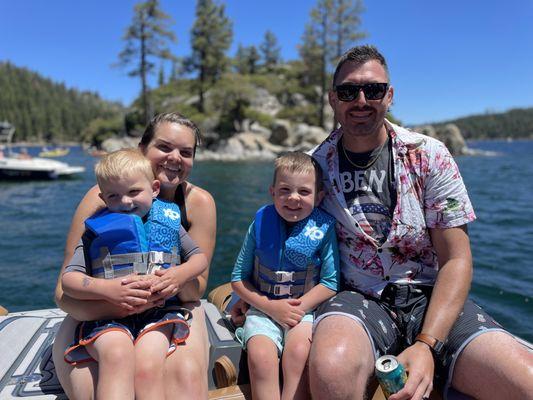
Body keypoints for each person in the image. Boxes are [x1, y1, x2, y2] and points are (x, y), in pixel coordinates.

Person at [305, 45, 533, 400]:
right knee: (330, 372)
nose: (361, 100)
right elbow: (286, 237)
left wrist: (427, 344)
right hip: (356, 297)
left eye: (374, 90)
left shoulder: (429, 155)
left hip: (431, 297)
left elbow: (456, 259)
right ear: (333, 99)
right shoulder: (313, 167)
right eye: (349, 91)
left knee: (525, 381)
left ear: (390, 95)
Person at [52, 113, 217, 400]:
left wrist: (174, 278)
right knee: (94, 385)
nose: (174, 158)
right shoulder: (103, 200)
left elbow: (196, 288)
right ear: (142, 149)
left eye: (186, 152)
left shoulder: (198, 203)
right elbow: (63, 293)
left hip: (168, 310)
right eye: (164, 147)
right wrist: (117, 303)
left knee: (184, 379)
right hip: (101, 310)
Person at [231, 151, 340, 400]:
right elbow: (238, 278)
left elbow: (330, 283)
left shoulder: (324, 229)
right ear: (272, 192)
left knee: (299, 353)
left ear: (319, 196)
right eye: (285, 190)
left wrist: (295, 309)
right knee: (260, 355)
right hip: (262, 309)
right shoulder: (259, 224)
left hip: (303, 311)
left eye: (304, 192)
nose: (293, 198)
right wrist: (271, 308)